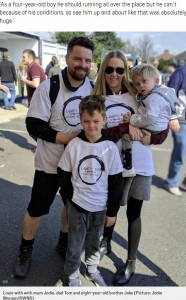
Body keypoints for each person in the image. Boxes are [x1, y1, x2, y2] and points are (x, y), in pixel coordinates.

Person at [13, 36, 96, 279]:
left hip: (77, 168)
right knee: (36, 210)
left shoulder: (92, 88)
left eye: (87, 60)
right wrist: (65, 138)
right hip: (49, 165)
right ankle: (24, 250)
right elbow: (33, 125)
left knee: (71, 208)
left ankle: (63, 242)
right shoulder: (49, 87)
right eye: (78, 58)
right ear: (68, 58)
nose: (82, 64)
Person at [92, 50, 169, 286]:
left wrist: (151, 139)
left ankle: (131, 261)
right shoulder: (97, 98)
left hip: (141, 165)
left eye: (119, 69)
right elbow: (96, 134)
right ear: (103, 70)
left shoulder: (139, 95)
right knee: (110, 207)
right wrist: (123, 130)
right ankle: (106, 241)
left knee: (134, 214)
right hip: (111, 164)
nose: (114, 74)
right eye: (109, 69)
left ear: (125, 71)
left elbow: (162, 128)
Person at [57, 95, 123, 286]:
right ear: (80, 120)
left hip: (100, 207)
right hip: (77, 205)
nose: (91, 125)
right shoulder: (74, 145)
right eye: (86, 121)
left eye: (96, 121)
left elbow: (116, 182)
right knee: (75, 244)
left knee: (95, 242)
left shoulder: (110, 147)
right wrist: (69, 198)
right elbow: (63, 173)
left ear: (105, 120)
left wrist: (112, 211)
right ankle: (71, 275)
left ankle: (92, 270)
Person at [121, 63, 179, 177]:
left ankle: (127, 164)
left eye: (144, 81)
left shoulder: (154, 98)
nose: (141, 86)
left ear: (156, 81)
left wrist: (132, 120)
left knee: (126, 137)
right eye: (137, 84)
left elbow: (150, 117)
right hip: (156, 128)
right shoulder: (158, 94)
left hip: (152, 128)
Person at [164, 59, 186, 196]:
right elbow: (169, 93)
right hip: (184, 121)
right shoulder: (181, 72)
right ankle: (172, 182)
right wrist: (172, 117)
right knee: (180, 154)